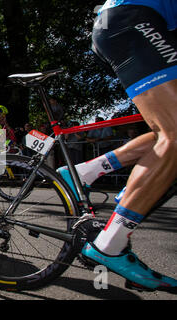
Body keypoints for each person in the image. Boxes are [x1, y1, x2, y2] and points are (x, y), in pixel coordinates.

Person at [58, 0, 177, 291]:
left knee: (165, 131)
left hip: (132, 21)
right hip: (132, 18)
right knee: (173, 133)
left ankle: (86, 172)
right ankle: (110, 244)